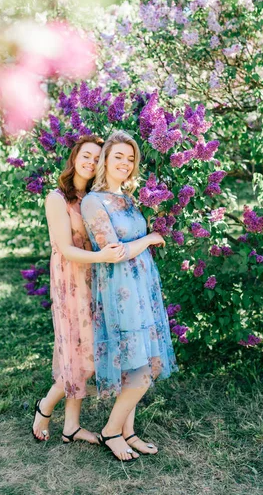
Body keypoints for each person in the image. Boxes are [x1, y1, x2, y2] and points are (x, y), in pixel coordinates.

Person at [81, 130, 178, 462]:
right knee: (143, 369)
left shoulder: (129, 198)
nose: (125, 163)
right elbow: (114, 252)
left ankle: (128, 431)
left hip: (141, 286)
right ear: (105, 159)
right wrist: (151, 238)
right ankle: (110, 431)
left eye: (131, 158)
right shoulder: (93, 201)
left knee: (138, 360)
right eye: (118, 156)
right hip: (119, 288)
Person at [32, 135, 126, 444]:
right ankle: (45, 406)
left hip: (97, 278)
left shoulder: (94, 198)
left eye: (97, 158)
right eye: (86, 155)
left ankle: (70, 426)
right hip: (71, 280)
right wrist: (101, 256)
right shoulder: (56, 198)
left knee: (88, 351)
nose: (91, 161)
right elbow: (65, 249)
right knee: (79, 354)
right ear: (75, 158)